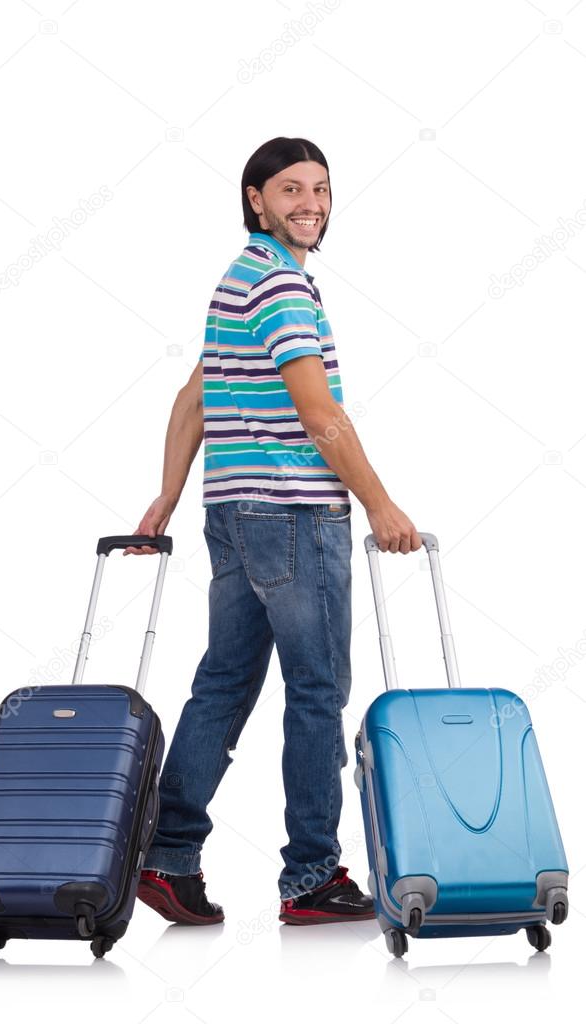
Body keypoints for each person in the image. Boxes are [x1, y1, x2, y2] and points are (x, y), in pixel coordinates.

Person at [124, 137, 421, 926]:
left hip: (232, 513)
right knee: (318, 693)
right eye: (291, 189)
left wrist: (167, 494)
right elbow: (319, 416)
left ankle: (167, 857)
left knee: (223, 683)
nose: (310, 204)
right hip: (294, 514)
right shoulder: (283, 287)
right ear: (255, 198)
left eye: (321, 189)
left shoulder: (239, 277)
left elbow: (194, 395)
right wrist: (383, 505)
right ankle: (312, 878)